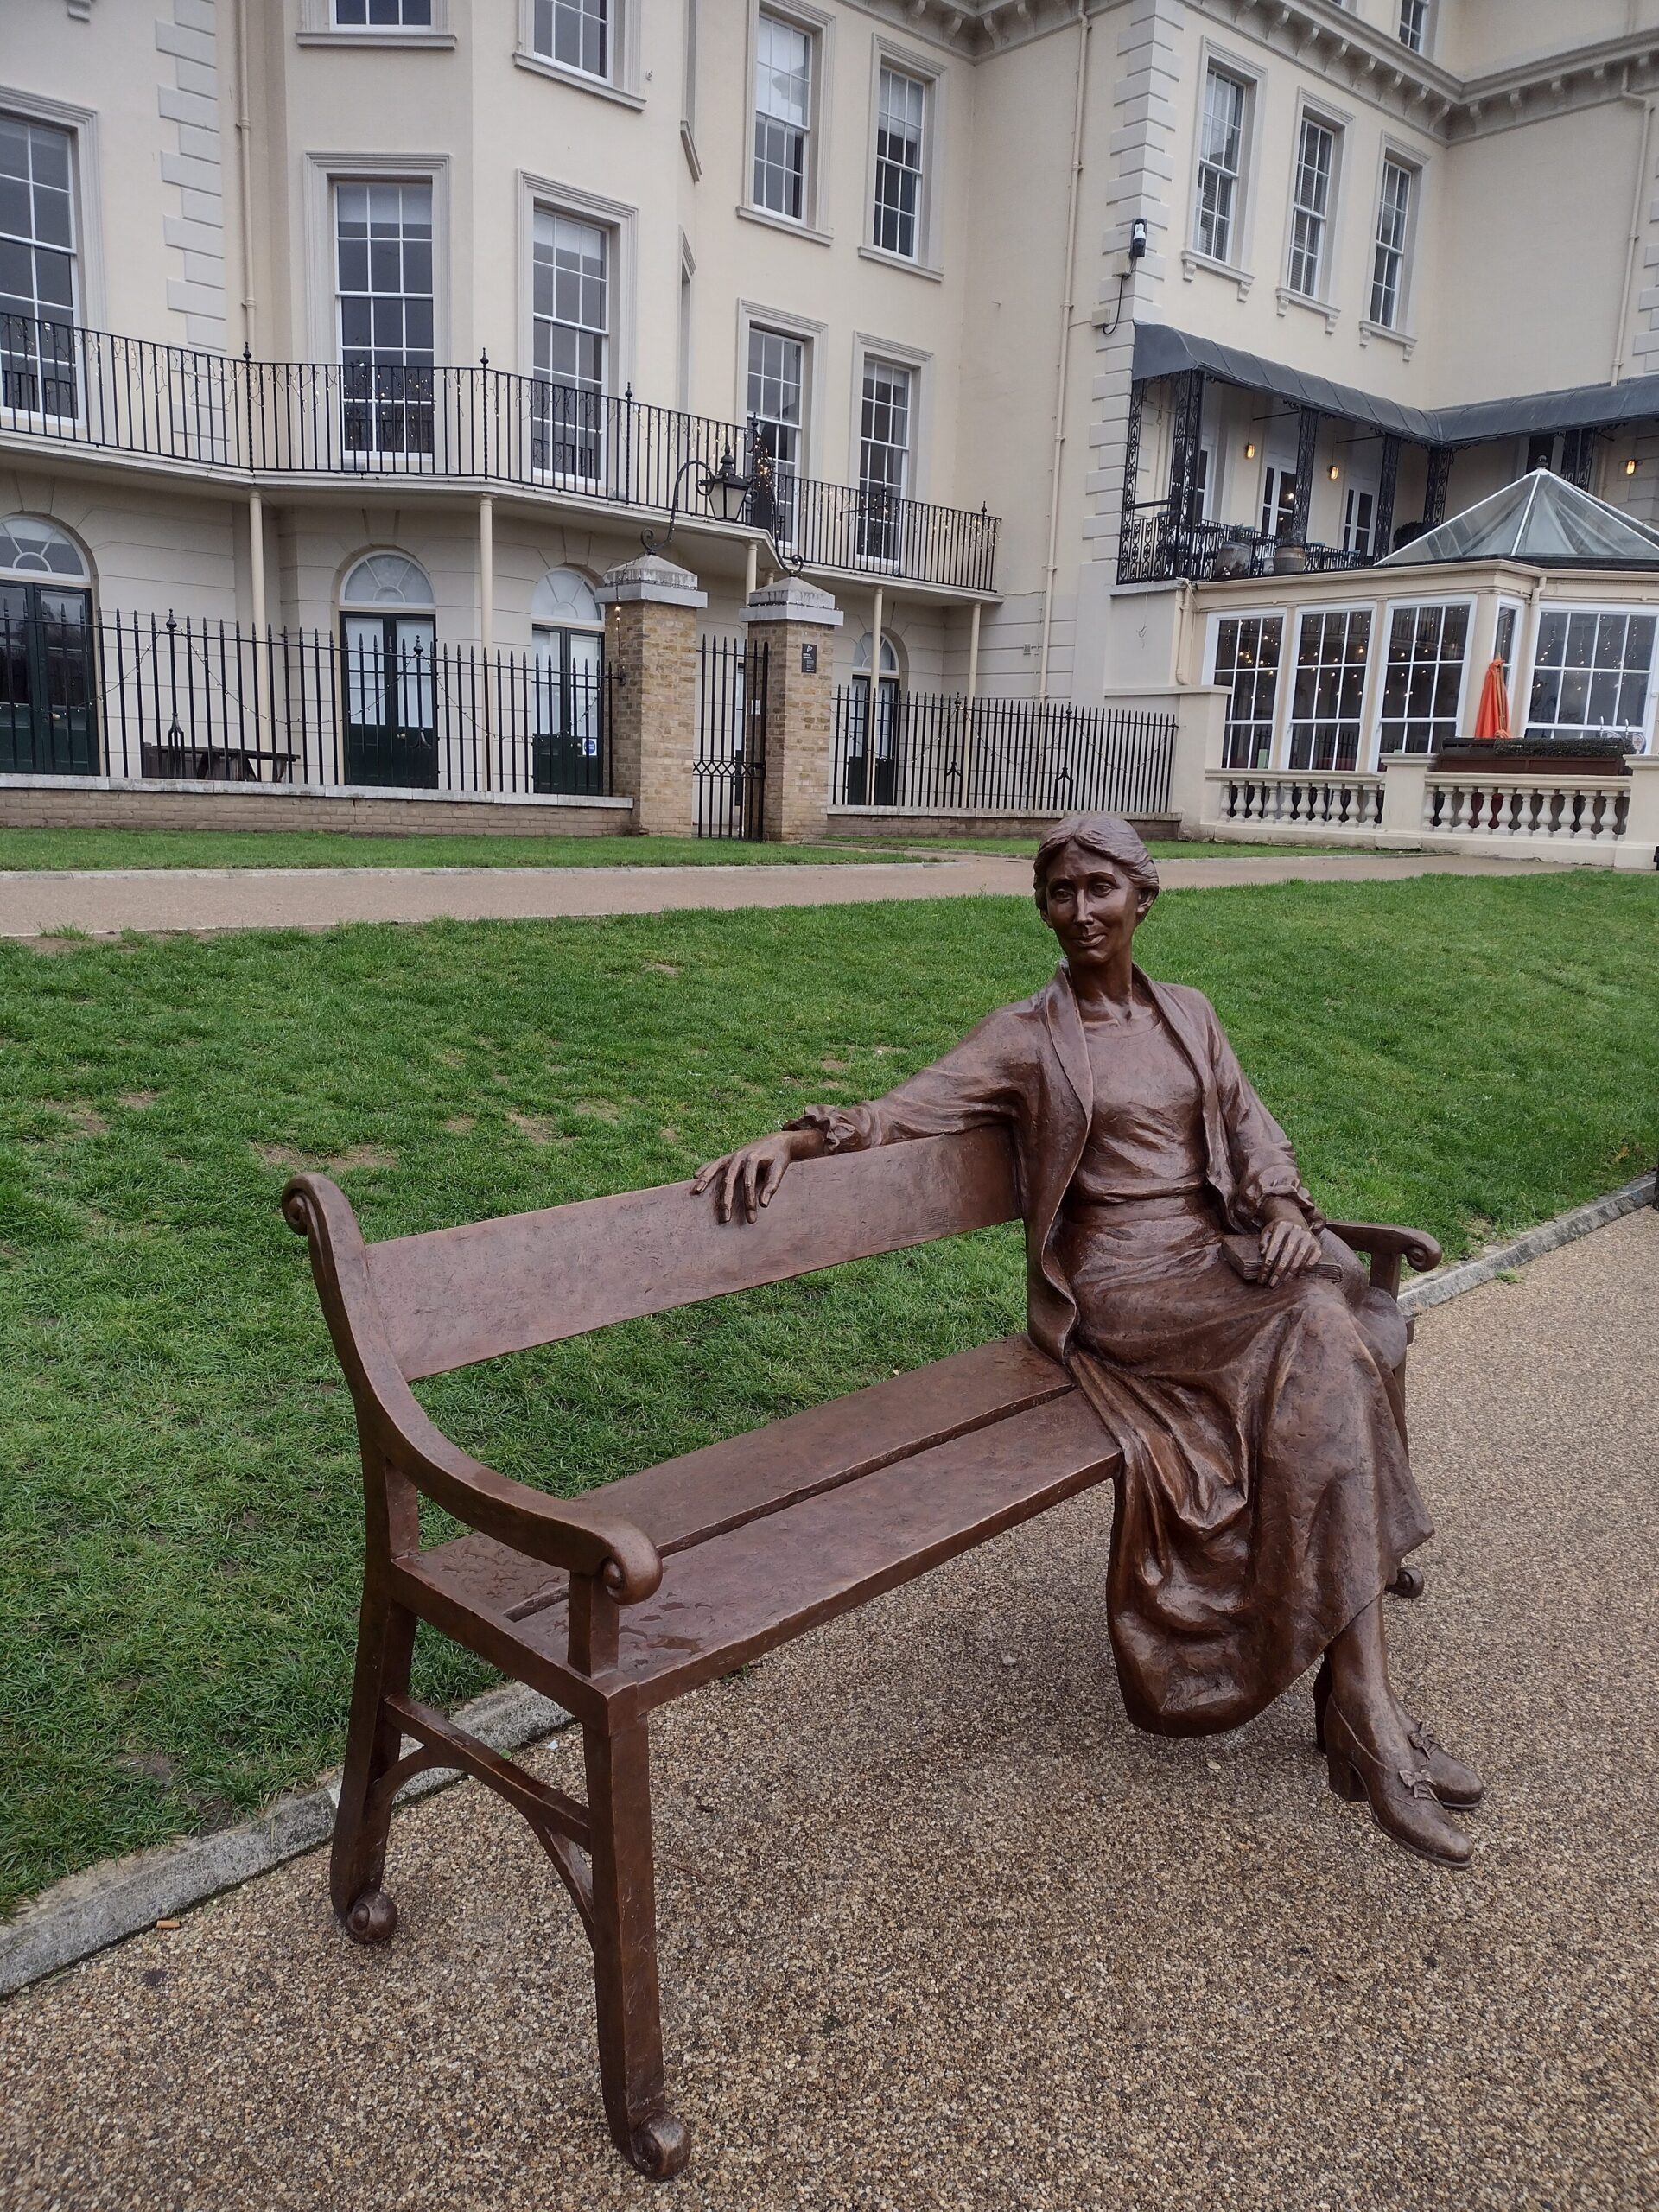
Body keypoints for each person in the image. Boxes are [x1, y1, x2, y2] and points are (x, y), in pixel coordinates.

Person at [693, 812, 1482, 1867]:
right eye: (1059, 892)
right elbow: (901, 1112)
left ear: (1143, 899)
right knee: (1323, 1330)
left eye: (1100, 888)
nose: (1079, 910)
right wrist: (798, 1135)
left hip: (1214, 1259)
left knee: (1330, 1322)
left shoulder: (1189, 1013)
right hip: (1121, 1286)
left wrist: (1289, 1210)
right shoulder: (1027, 1035)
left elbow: (1251, 1129)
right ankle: (1373, 1718)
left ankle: (1357, 1695)